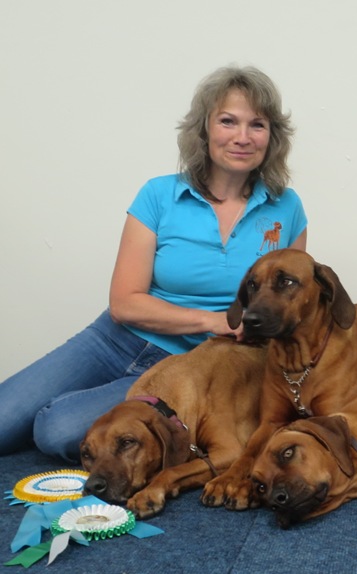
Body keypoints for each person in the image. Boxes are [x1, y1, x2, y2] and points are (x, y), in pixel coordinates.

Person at [0, 66, 308, 463]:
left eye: (257, 125)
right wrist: (212, 320)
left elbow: (292, 306)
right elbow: (124, 303)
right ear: (204, 129)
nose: (243, 137)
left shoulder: (287, 208)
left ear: (273, 136)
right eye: (228, 121)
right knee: (6, 416)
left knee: (56, 429)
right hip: (115, 340)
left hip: (194, 365)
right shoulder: (159, 194)